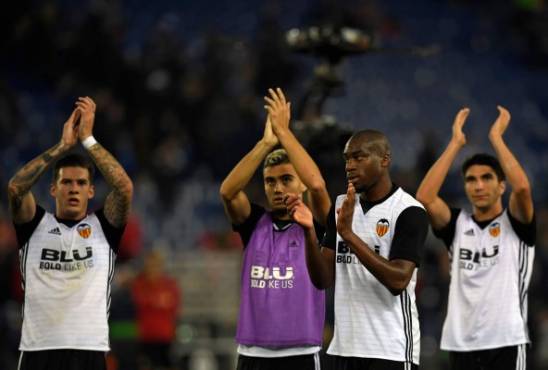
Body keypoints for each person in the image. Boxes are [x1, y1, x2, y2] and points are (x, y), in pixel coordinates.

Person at [7, 97, 133, 370]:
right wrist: (62, 147)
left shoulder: (104, 228)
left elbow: (123, 188)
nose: (73, 188)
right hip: (38, 351)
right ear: (53, 189)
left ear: (91, 191)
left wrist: (87, 140)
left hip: (88, 352)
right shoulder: (34, 225)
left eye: (81, 183)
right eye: (66, 182)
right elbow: (16, 188)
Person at [291, 129, 429, 370]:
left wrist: (349, 236)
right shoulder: (342, 206)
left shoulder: (409, 211)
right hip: (344, 349)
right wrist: (309, 232)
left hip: (391, 351)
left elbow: (398, 280)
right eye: (347, 159)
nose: (350, 166)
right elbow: (323, 279)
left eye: (359, 157)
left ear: (384, 160)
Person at [219, 88, 330, 370]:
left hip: (301, 353)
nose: (278, 188)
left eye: (286, 179)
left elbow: (317, 185)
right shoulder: (254, 222)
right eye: (270, 182)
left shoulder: (317, 222)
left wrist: (284, 132)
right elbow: (229, 192)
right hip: (252, 353)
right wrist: (266, 143)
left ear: (300, 182)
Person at [416, 106, 535, 370]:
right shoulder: (458, 224)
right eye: (471, 180)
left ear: (501, 186)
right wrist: (456, 143)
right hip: (461, 343)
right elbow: (424, 197)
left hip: (505, 342)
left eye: (487, 178)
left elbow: (524, 188)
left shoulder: (515, 224)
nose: (478, 185)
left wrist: (497, 140)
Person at [132, 249, 181, 370]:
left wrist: (154, 301)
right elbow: (139, 303)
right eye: (150, 265)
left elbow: (174, 308)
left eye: (156, 265)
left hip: (165, 336)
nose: (153, 268)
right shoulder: (138, 284)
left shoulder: (170, 285)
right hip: (145, 337)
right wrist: (158, 301)